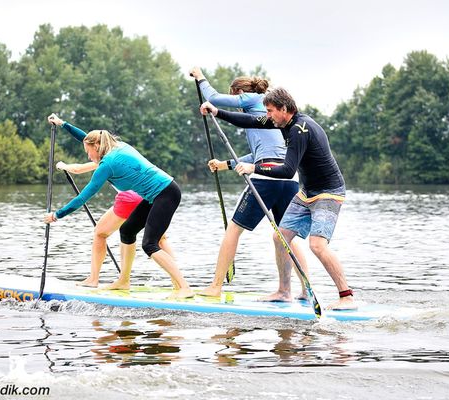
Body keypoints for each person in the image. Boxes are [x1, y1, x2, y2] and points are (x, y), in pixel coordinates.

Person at [200, 87, 356, 310]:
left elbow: (286, 169)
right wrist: (217, 112)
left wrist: (254, 167)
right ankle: (284, 292)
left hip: (328, 193)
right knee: (279, 237)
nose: (268, 116)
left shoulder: (299, 130)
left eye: (271, 111)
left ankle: (347, 296)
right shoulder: (283, 122)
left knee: (317, 245)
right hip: (307, 192)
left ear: (284, 109)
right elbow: (250, 121)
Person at [189, 67, 310, 300]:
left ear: (238, 92)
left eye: (234, 96)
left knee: (233, 230)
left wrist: (201, 77)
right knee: (286, 236)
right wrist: (225, 164)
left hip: (265, 178)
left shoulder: (254, 99)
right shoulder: (266, 117)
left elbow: (213, 98)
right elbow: (258, 156)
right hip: (289, 179)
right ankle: (302, 290)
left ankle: (215, 287)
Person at [43, 114, 193, 298]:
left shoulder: (107, 165)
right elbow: (86, 138)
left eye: (88, 152)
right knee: (128, 230)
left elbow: (83, 197)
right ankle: (123, 281)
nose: (88, 157)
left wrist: (57, 215)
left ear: (97, 147)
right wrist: (62, 124)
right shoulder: (115, 145)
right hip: (156, 194)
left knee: (150, 244)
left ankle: (184, 287)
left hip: (166, 193)